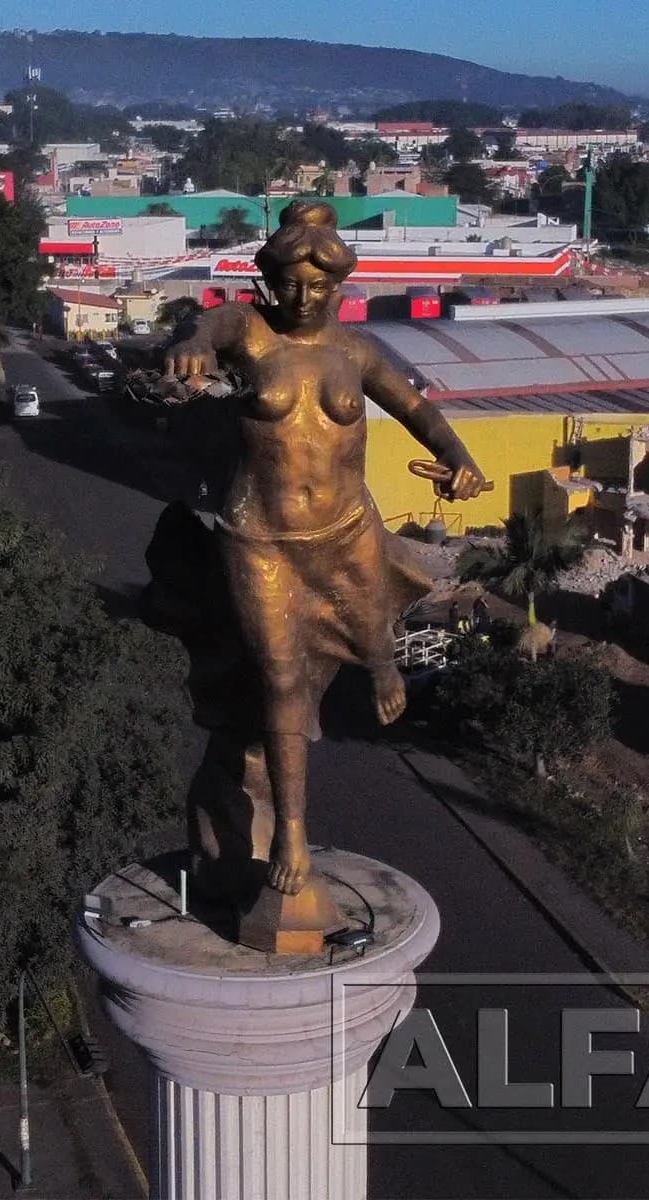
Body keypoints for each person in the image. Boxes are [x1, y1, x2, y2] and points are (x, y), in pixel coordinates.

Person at [158, 200, 486, 897]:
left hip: (345, 532)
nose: (305, 299)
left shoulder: (356, 353)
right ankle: (293, 833)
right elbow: (206, 323)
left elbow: (419, 410)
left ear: (342, 288)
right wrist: (188, 341)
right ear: (270, 286)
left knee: (371, 631)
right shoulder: (251, 333)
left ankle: (383, 663)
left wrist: (460, 459)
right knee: (281, 681)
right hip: (262, 541)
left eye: (320, 286)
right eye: (291, 285)